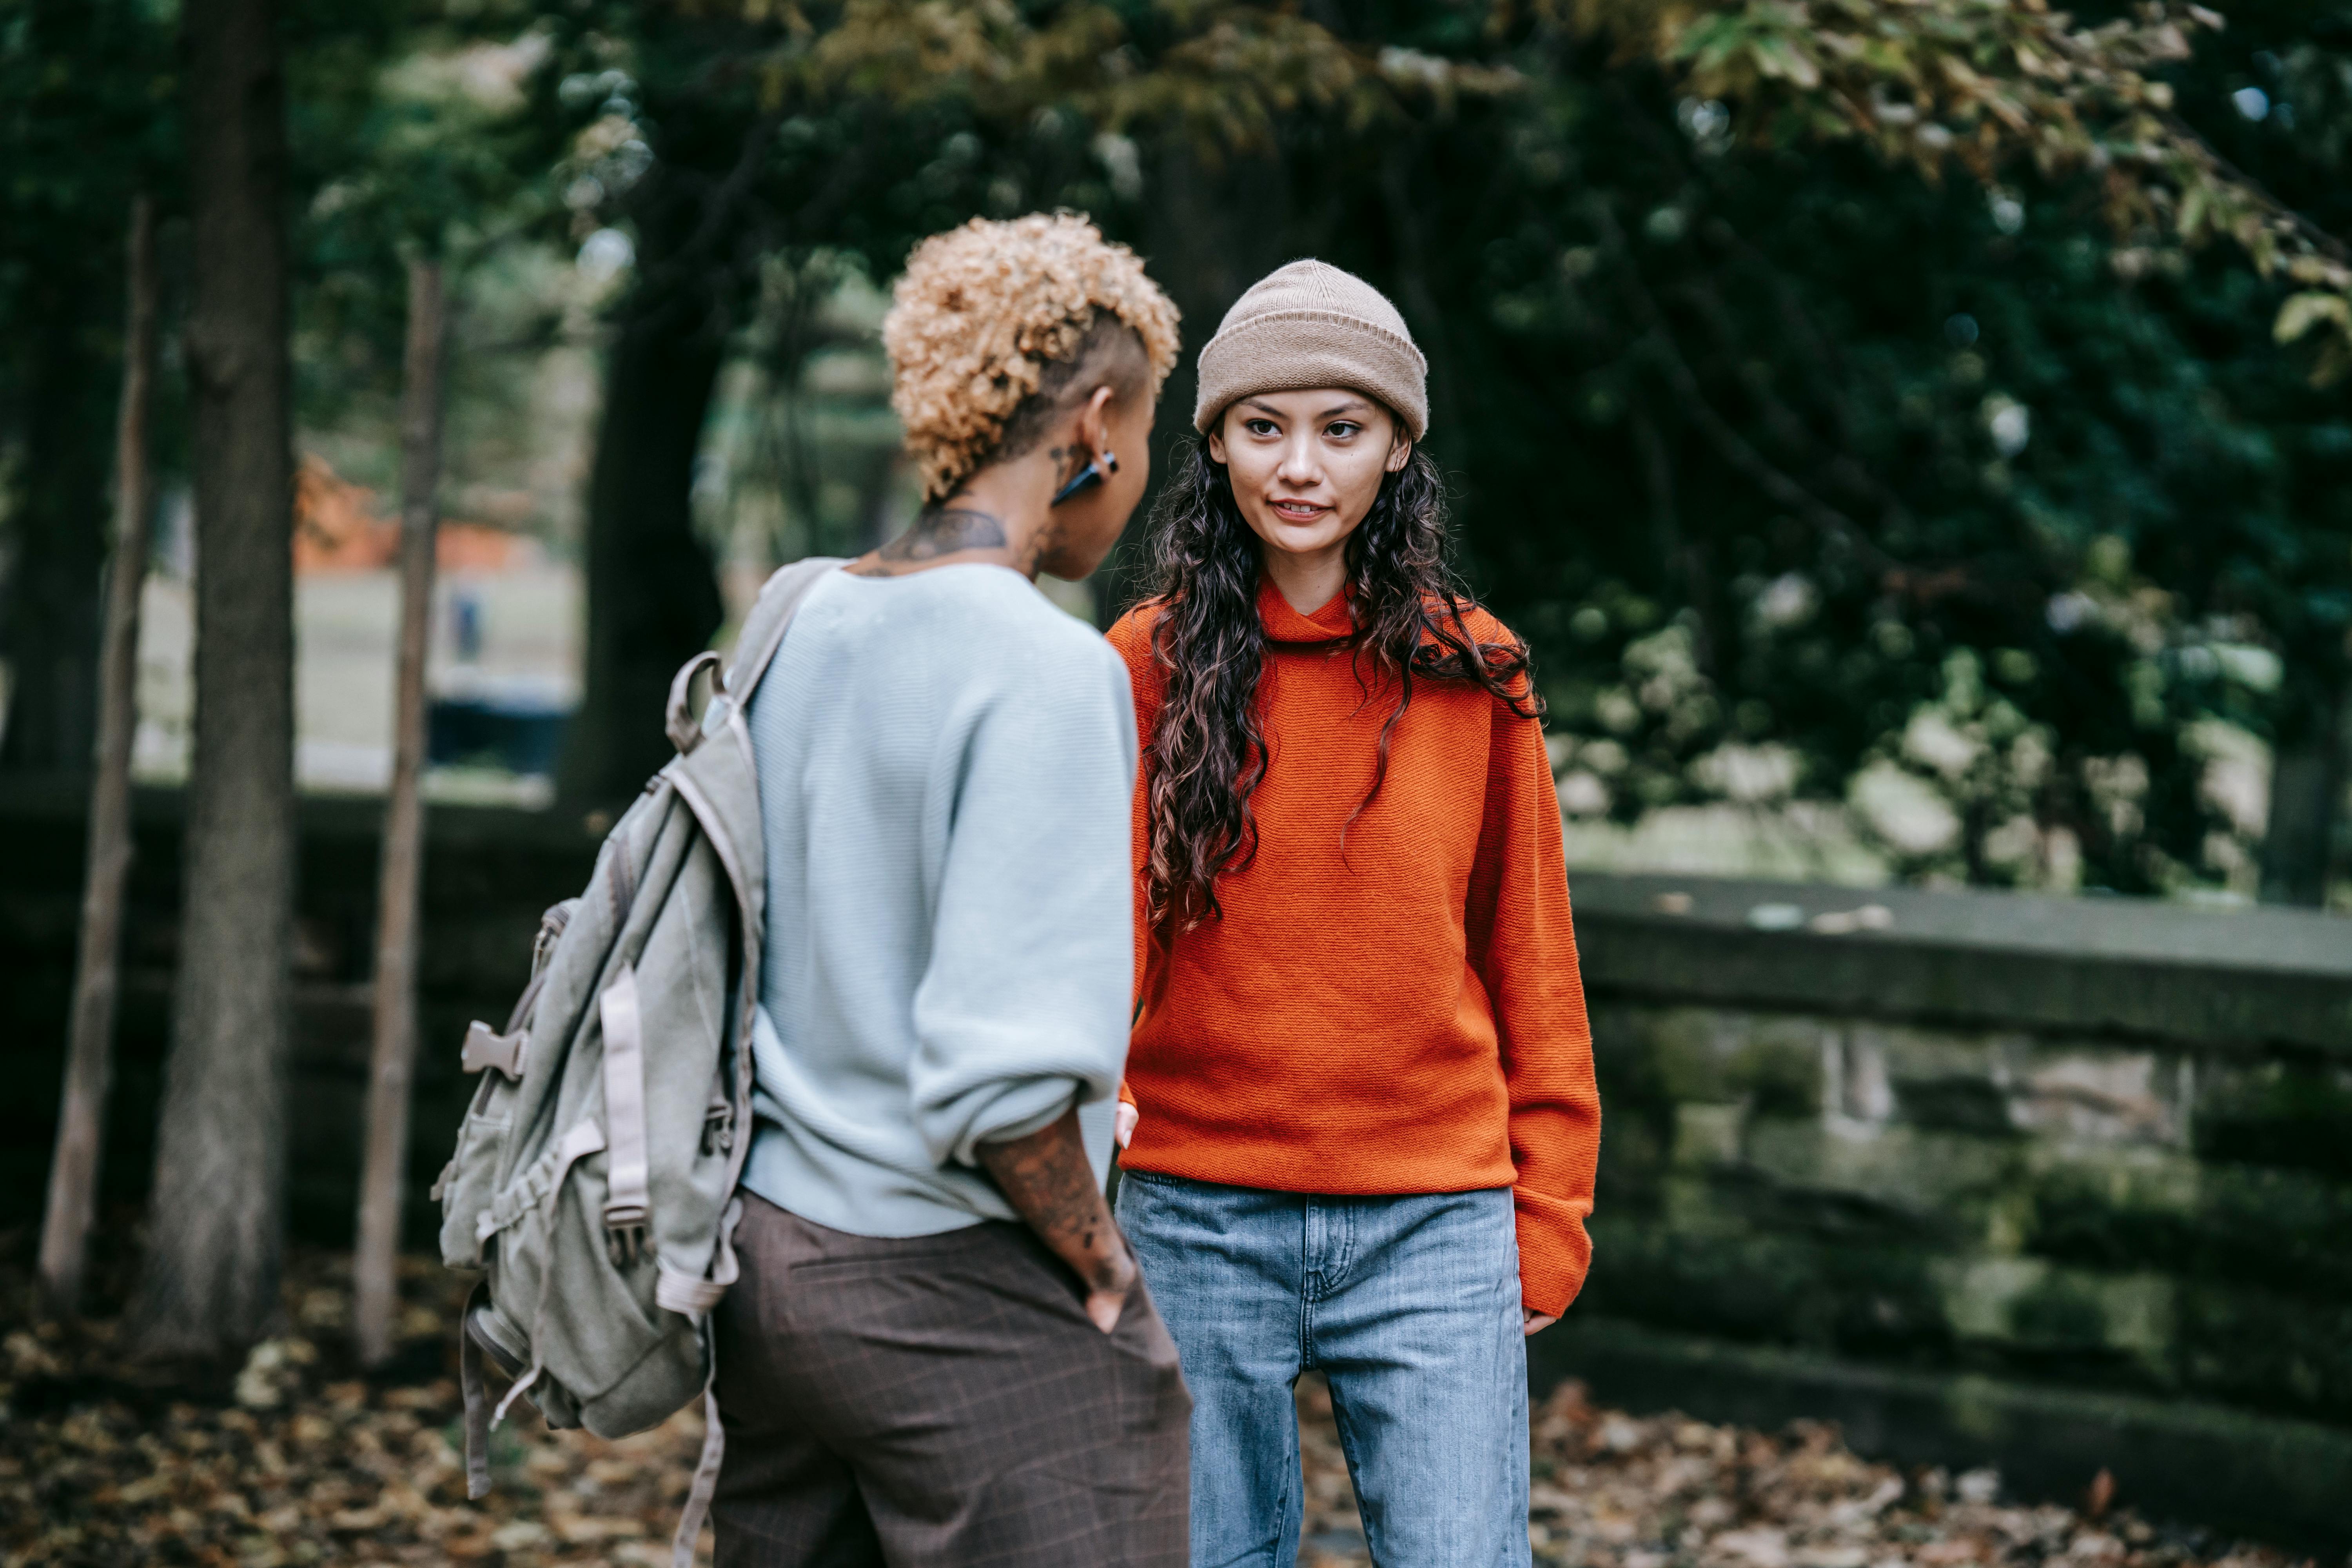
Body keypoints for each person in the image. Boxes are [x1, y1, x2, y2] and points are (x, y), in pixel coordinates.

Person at [1105, 260, 1603, 1567]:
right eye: (1264, 427)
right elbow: (1099, 954)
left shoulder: (1476, 671)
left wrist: (1548, 1210)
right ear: (1214, 444)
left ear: (1396, 450)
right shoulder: (1141, 666)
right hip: (1192, 1212)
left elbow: (1531, 955)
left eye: (1343, 428)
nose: (1301, 466)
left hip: (1434, 1218)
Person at [711, 214, 1189, 1567]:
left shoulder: (801, 615)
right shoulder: (1045, 668)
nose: (1141, 474)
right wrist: (1103, 1268)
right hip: (952, 1285)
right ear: (1096, 420)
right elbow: (1004, 1092)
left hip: (771, 1272)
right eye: (1148, 430)